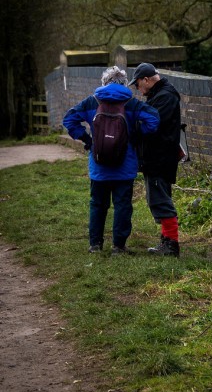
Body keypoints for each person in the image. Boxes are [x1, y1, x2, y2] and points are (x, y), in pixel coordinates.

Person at [63, 66, 160, 254]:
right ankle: (118, 246)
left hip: (98, 165)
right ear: (124, 83)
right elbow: (154, 120)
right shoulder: (131, 103)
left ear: (104, 82)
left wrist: (87, 140)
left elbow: (69, 120)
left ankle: (95, 245)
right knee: (122, 205)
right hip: (125, 165)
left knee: (98, 204)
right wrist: (135, 136)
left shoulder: (92, 102)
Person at [128, 63, 181, 257]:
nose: (137, 89)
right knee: (158, 198)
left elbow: (152, 125)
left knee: (160, 201)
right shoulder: (160, 95)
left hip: (160, 157)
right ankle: (166, 242)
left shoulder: (165, 96)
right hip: (158, 156)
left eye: (137, 84)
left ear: (147, 80)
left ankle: (171, 245)